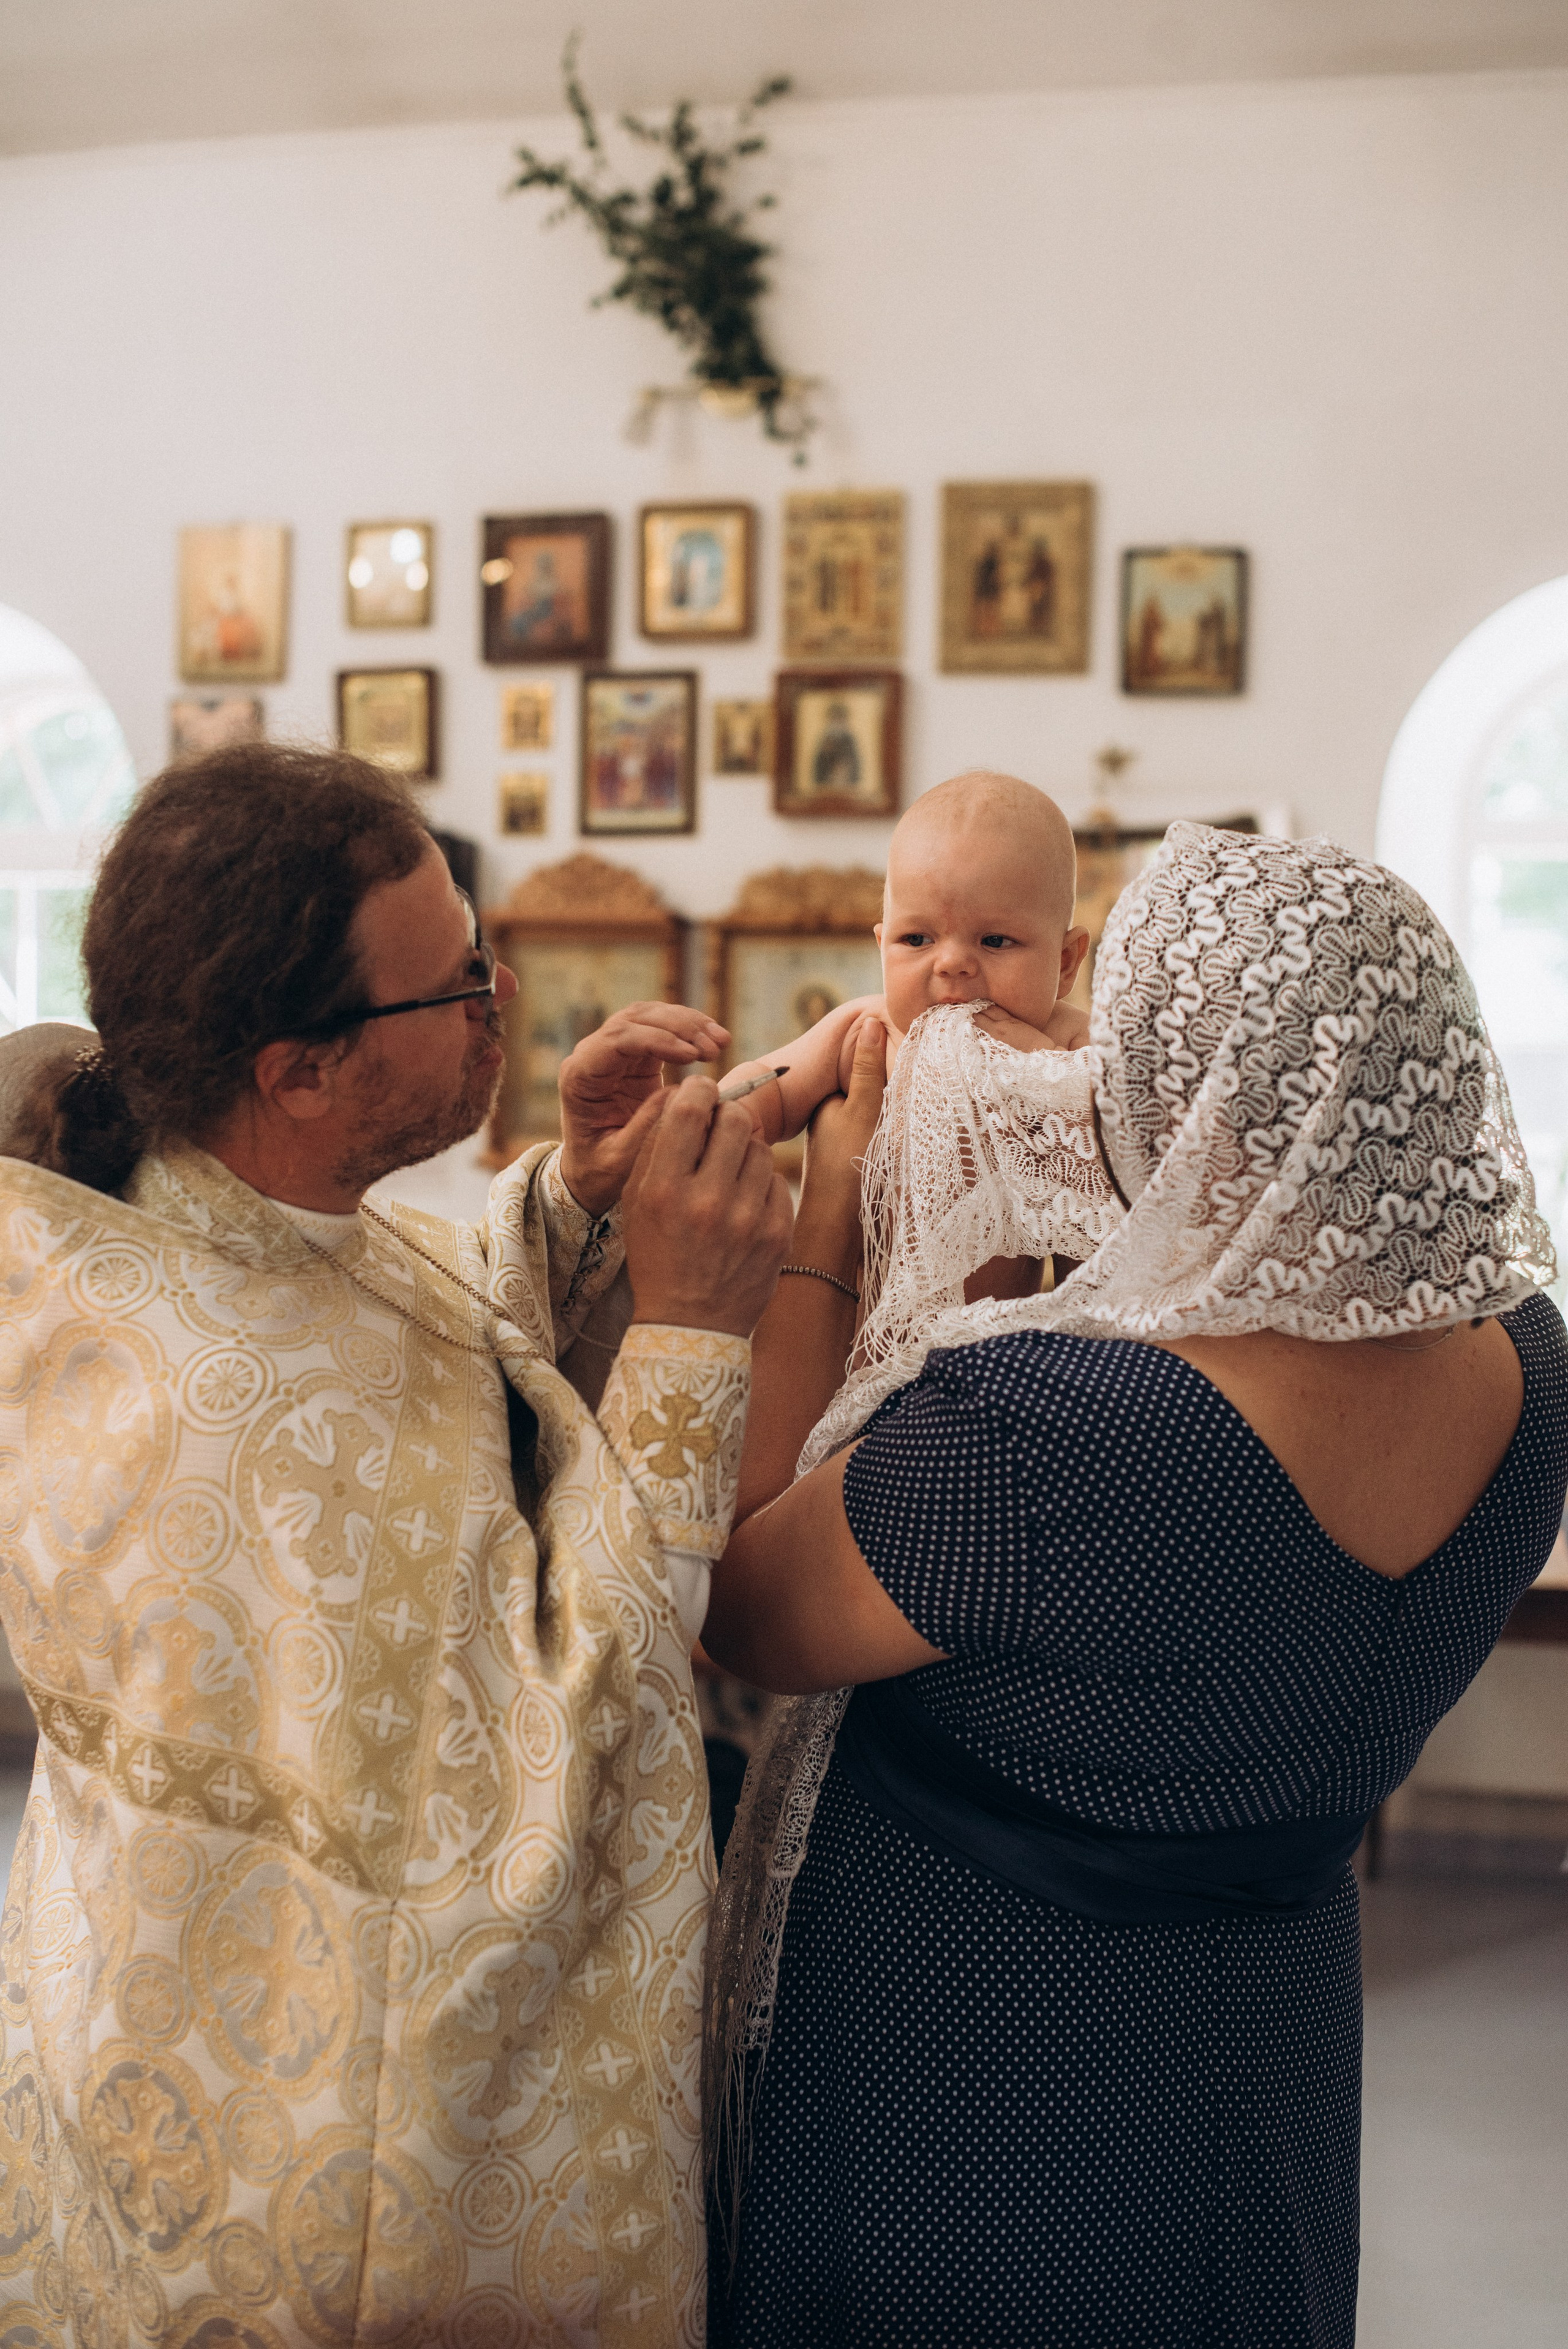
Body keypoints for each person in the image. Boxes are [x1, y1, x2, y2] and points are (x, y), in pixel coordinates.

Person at [701, 823, 1568, 2348]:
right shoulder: (1530, 1365)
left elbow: (747, 1606)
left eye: (1125, 1042)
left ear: (1202, 1084)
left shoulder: (1059, 1434)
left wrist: (835, 1208)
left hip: (980, 2053)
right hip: (1270, 2038)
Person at [0, 743, 790, 2345]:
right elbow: (543, 1755)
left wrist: (572, 1196)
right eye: (456, 983)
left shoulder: (191, 1211)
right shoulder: (221, 1409)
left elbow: (404, 1349)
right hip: (302, 2183)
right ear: (296, 1068)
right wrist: (697, 1330)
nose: (501, 1003)